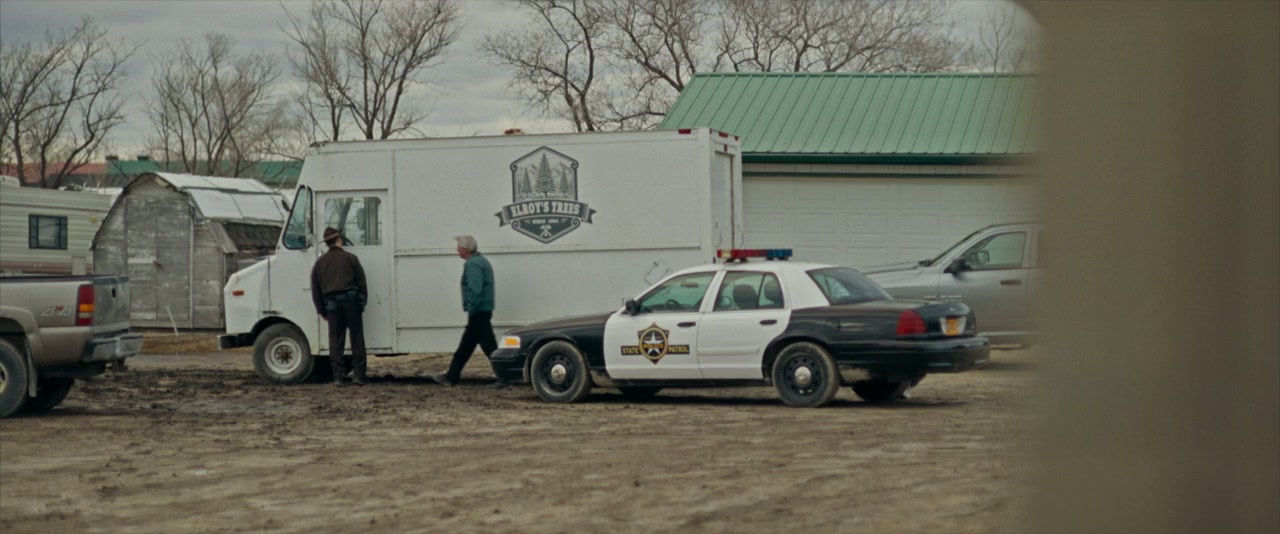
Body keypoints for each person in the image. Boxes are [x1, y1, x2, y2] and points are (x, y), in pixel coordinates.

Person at [433, 235, 508, 389]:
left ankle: (504, 378)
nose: (457, 250)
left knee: (479, 347)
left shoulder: (473, 264)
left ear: (465, 249)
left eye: (458, 247)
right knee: (473, 346)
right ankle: (452, 376)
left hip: (478, 311)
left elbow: (475, 289)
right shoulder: (481, 261)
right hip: (483, 310)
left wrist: (471, 307)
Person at [311, 227, 370, 386]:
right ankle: (359, 376)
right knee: (357, 339)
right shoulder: (351, 258)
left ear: (327, 243)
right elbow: (362, 283)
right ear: (338, 240)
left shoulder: (319, 263)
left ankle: (338, 377)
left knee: (336, 341)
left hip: (332, 306)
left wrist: (322, 311)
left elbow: (316, 291)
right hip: (351, 304)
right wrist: (362, 303)